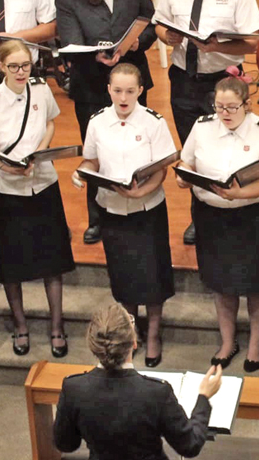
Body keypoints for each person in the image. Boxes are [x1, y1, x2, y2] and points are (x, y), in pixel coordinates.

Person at [152, 0, 259, 246]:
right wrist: (166, 36)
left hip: (222, 82)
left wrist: (217, 47)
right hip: (184, 78)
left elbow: (253, 41)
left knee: (228, 148)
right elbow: (159, 23)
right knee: (194, 152)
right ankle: (199, 218)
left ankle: (234, 210)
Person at [0, 40, 75, 359]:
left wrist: (40, 151)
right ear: (1, 67)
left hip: (43, 183)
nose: (21, 72)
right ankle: (20, 326)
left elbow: (49, 123)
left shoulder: (41, 89)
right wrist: (7, 167)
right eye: (14, 66)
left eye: (26, 66)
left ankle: (56, 327)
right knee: (12, 263)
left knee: (53, 260)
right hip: (8, 190)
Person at [70, 63, 176, 367]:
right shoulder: (98, 122)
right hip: (112, 210)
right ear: (108, 90)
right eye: (117, 90)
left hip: (148, 209)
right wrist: (82, 173)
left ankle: (154, 334)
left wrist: (141, 193)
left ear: (141, 90)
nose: (124, 97)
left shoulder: (153, 122)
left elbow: (162, 168)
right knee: (124, 274)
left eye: (130, 91)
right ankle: (131, 332)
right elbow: (90, 160)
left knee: (154, 274)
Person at [177, 76, 259, 372]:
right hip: (212, 217)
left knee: (258, 284)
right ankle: (227, 342)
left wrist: (239, 194)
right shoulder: (202, 126)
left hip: (253, 218)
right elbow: (187, 162)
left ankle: (256, 345)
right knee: (220, 283)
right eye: (219, 106)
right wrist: (182, 176)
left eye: (232, 107)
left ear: (247, 105)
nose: (224, 113)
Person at [56, 0, 158, 244]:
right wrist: (98, 56)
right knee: (95, 150)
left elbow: (150, 22)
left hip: (133, 80)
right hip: (91, 84)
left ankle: (141, 204)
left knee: (140, 143)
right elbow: (72, 43)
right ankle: (97, 216)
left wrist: (140, 42)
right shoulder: (67, 0)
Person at [53, 303, 223, 460]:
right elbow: (190, 446)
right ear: (134, 343)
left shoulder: (74, 389)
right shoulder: (156, 393)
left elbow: (66, 444)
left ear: (92, 345)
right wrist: (203, 398)